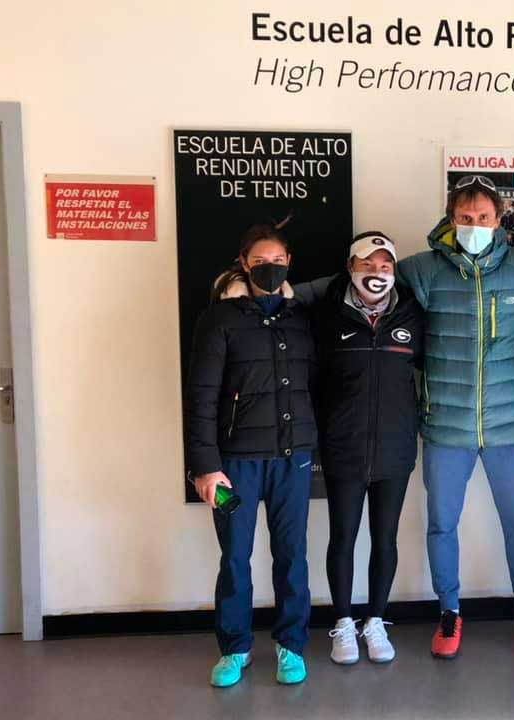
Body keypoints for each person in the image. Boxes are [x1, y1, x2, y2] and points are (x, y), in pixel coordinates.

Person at [398, 175, 514, 659]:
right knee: (441, 523)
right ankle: (449, 612)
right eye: (466, 219)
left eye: (484, 218)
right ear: (452, 220)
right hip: (445, 429)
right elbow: (362, 280)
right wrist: (289, 292)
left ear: (500, 220)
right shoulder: (425, 271)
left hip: (511, 427)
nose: (475, 226)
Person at [186, 224, 318, 688]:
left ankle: (291, 646)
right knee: (235, 554)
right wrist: (205, 467)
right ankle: (234, 648)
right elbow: (201, 396)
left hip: (292, 462)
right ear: (243, 263)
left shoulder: (301, 318)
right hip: (233, 468)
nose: (269, 267)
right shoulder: (219, 320)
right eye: (259, 261)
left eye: (277, 259)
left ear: (289, 262)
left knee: (292, 555)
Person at [310, 232, 425, 666]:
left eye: (385, 265)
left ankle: (375, 620)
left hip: (396, 450)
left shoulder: (413, 315)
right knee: (342, 537)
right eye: (367, 263)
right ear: (350, 268)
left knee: (385, 538)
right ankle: (343, 623)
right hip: (344, 448)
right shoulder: (327, 316)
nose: (377, 273)